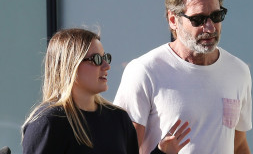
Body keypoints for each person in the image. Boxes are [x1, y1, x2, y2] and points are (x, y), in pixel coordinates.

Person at [114, 0, 252, 154]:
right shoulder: (145, 71)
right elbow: (122, 149)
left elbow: (239, 146)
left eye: (216, 16)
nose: (210, 27)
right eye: (198, 19)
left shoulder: (238, 71)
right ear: (173, 20)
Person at [22, 28, 191, 154]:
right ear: (69, 65)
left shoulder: (118, 119)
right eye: (96, 59)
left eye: (105, 57)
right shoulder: (48, 122)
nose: (106, 66)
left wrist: (161, 152)